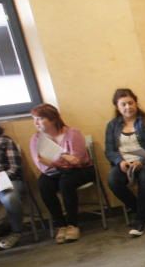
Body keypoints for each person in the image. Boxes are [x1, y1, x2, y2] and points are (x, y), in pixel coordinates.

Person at [28, 104, 95, 244]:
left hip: (81, 170)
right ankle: (60, 224)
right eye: (34, 119)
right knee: (43, 183)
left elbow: (78, 160)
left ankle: (73, 224)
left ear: (52, 119)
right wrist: (63, 159)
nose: (36, 123)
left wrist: (55, 161)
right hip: (55, 172)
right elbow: (41, 164)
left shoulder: (72, 133)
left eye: (40, 119)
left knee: (66, 182)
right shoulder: (36, 139)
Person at [104, 88, 145, 237]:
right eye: (123, 104)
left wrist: (141, 160)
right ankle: (143, 214)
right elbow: (109, 150)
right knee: (113, 180)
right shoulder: (112, 125)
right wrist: (119, 161)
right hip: (124, 163)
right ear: (117, 107)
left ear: (136, 103)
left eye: (130, 103)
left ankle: (139, 221)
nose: (127, 107)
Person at [0, 115, 26, 250]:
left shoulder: (4, 141)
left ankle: (16, 232)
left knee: (10, 199)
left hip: (7, 180)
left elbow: (15, 168)